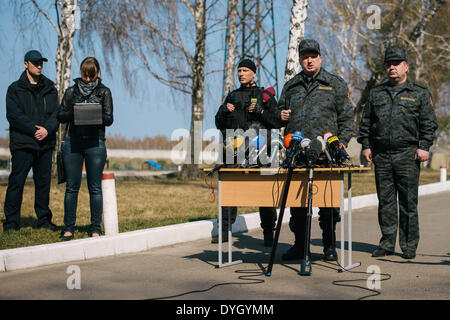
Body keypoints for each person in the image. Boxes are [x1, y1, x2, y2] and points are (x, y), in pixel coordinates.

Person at [358, 45, 437, 259]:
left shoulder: (419, 93)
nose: (391, 67)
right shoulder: (376, 93)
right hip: (382, 155)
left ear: (406, 67)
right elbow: (366, 123)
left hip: (408, 154)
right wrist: (365, 145)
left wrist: (424, 146)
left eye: (396, 63)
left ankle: (409, 245)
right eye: (388, 64)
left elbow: (429, 123)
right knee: (385, 201)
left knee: (408, 202)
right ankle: (387, 243)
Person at [278, 39, 354, 261]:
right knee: (298, 204)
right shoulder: (291, 86)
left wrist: (342, 143)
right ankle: (300, 246)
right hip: (298, 154)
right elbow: (280, 114)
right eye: (304, 56)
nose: (309, 60)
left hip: (327, 153)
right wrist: (278, 116)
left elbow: (347, 117)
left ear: (320, 58)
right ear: (300, 59)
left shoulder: (335, 83)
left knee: (329, 204)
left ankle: (329, 246)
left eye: (313, 56)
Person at [214, 58, 281, 246]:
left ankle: (269, 233)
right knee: (229, 192)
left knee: (264, 194)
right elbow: (220, 124)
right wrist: (223, 111)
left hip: (260, 152)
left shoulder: (264, 95)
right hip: (233, 152)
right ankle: (224, 231)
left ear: (254, 73)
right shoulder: (232, 96)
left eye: (245, 70)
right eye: (239, 70)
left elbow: (277, 121)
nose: (241, 73)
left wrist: (260, 111)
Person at [3, 50, 59, 232]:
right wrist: (35, 130)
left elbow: (56, 114)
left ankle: (43, 220)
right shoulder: (14, 89)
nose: (39, 66)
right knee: (16, 183)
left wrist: (47, 130)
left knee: (43, 184)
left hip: (45, 143)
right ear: (26, 64)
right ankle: (11, 223)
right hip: (23, 144)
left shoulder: (50, 88)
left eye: (41, 63)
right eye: (35, 63)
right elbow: (14, 115)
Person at [57, 57, 113, 240]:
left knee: (95, 188)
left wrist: (92, 112)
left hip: (95, 143)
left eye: (91, 75)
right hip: (73, 142)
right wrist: (75, 111)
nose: (88, 79)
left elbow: (109, 118)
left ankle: (95, 228)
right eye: (85, 75)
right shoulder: (71, 91)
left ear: (97, 73)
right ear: (81, 73)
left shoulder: (104, 92)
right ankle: (68, 228)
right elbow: (61, 115)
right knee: (71, 187)